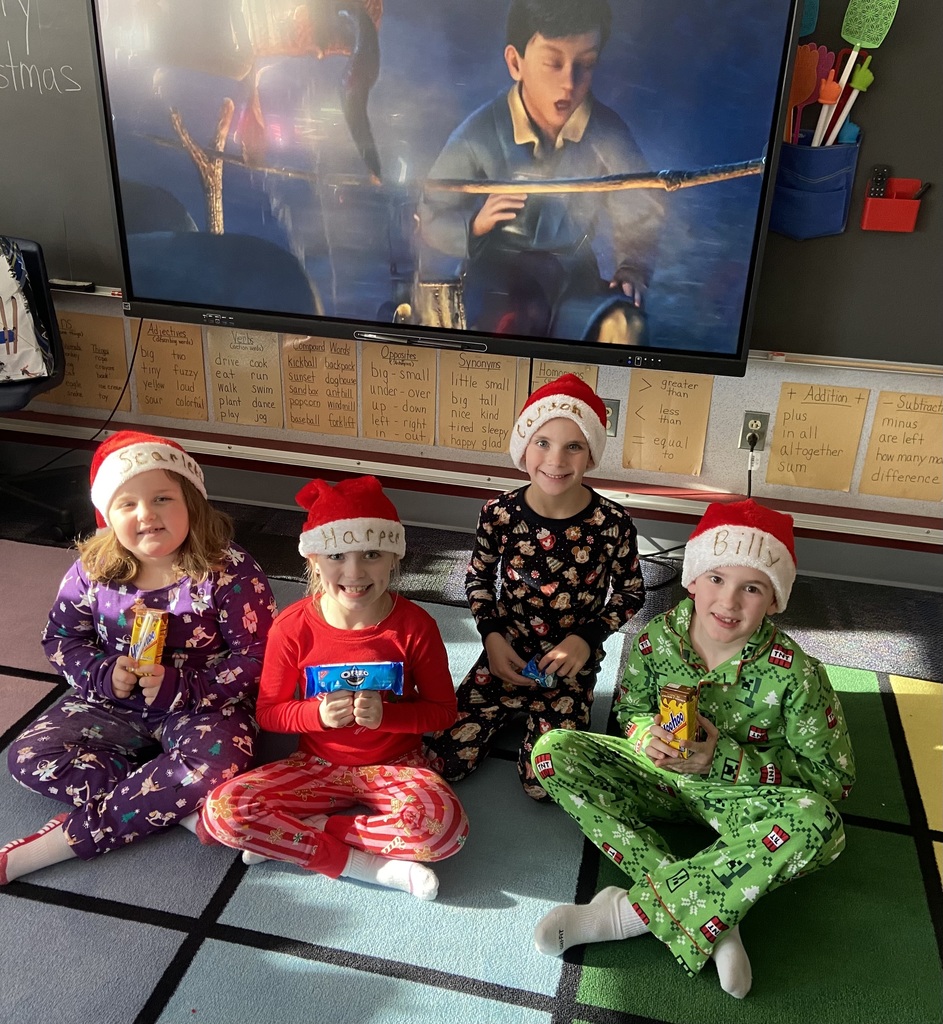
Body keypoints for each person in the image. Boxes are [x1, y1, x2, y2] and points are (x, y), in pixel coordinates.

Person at [530, 499, 856, 998]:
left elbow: (833, 779)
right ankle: (718, 915)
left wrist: (725, 759)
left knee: (821, 825)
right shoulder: (655, 640)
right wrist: (646, 736)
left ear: (774, 601)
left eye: (752, 588)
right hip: (657, 780)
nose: (729, 602)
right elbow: (632, 709)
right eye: (717, 579)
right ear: (692, 581)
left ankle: (626, 913)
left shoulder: (798, 674)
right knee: (552, 751)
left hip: (740, 803)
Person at [1, 430, 276, 885]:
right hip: (111, 701)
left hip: (204, 703)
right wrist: (101, 673)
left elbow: (261, 655)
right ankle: (169, 800)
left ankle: (60, 842)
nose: (146, 514)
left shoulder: (230, 571)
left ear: (192, 503)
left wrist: (187, 687)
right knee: (28, 758)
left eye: (162, 498)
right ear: (107, 516)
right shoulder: (93, 569)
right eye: (127, 504)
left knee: (218, 763)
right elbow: (62, 638)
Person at [200, 475, 468, 901]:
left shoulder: (416, 626)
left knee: (445, 831)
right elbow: (269, 712)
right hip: (315, 764)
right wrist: (317, 715)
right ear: (313, 560)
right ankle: (364, 865)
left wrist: (389, 716)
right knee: (222, 812)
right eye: (337, 555)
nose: (354, 572)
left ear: (394, 558)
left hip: (397, 764)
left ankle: (315, 832)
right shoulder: (292, 627)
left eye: (372, 554)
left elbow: (442, 711)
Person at [425, 374, 645, 799]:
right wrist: (491, 637)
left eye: (573, 446)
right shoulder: (499, 513)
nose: (556, 460)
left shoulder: (613, 523)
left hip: (568, 667)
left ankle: (546, 722)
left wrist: (587, 639)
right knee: (441, 762)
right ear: (523, 447)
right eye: (543, 442)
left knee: (543, 787)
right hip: (506, 653)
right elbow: (478, 578)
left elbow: (631, 592)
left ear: (591, 455)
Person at [418, 0, 663, 342]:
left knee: (625, 327)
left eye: (585, 64)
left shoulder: (607, 134)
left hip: (574, 280)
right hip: (498, 280)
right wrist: (474, 226)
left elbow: (641, 211)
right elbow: (431, 214)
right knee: (510, 325)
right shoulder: (478, 134)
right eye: (553, 63)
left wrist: (633, 268)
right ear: (515, 63)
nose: (569, 83)